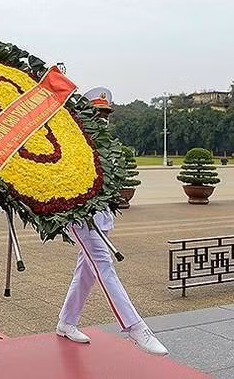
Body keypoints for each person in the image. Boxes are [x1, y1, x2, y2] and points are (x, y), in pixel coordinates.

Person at [56, 87, 168, 356]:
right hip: (81, 216)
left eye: (105, 113)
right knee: (103, 267)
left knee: (85, 272)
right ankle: (135, 327)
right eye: (97, 113)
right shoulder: (73, 140)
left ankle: (66, 322)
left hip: (101, 216)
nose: (102, 118)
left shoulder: (105, 143)